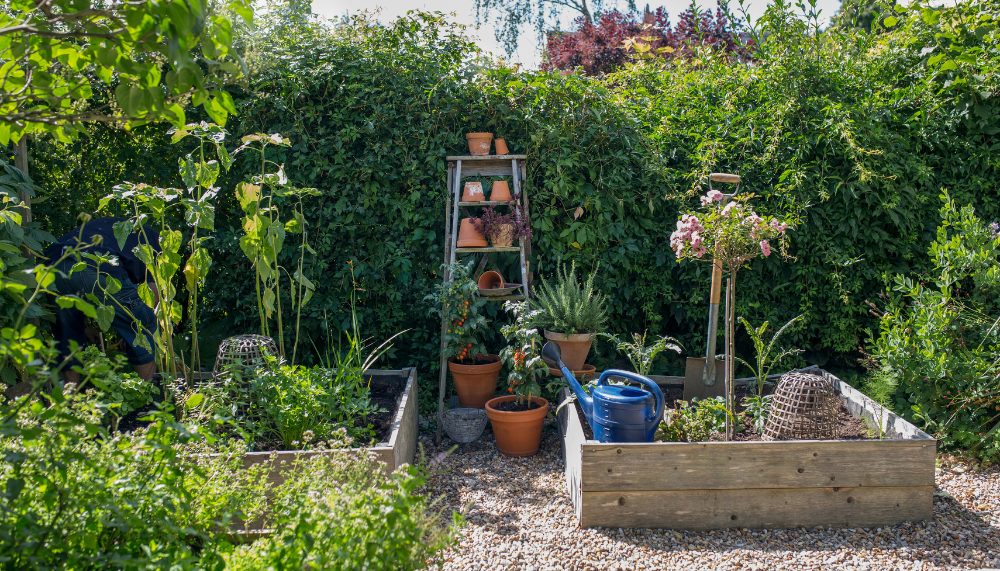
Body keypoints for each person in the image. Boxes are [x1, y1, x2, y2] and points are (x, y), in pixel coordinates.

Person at [45, 217, 161, 383]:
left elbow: (78, 287)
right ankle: (146, 392)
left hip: (53, 264)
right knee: (143, 325)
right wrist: (131, 332)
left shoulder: (120, 231)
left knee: (68, 336)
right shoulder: (157, 244)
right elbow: (153, 297)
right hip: (96, 265)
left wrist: (85, 327)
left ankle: (71, 397)